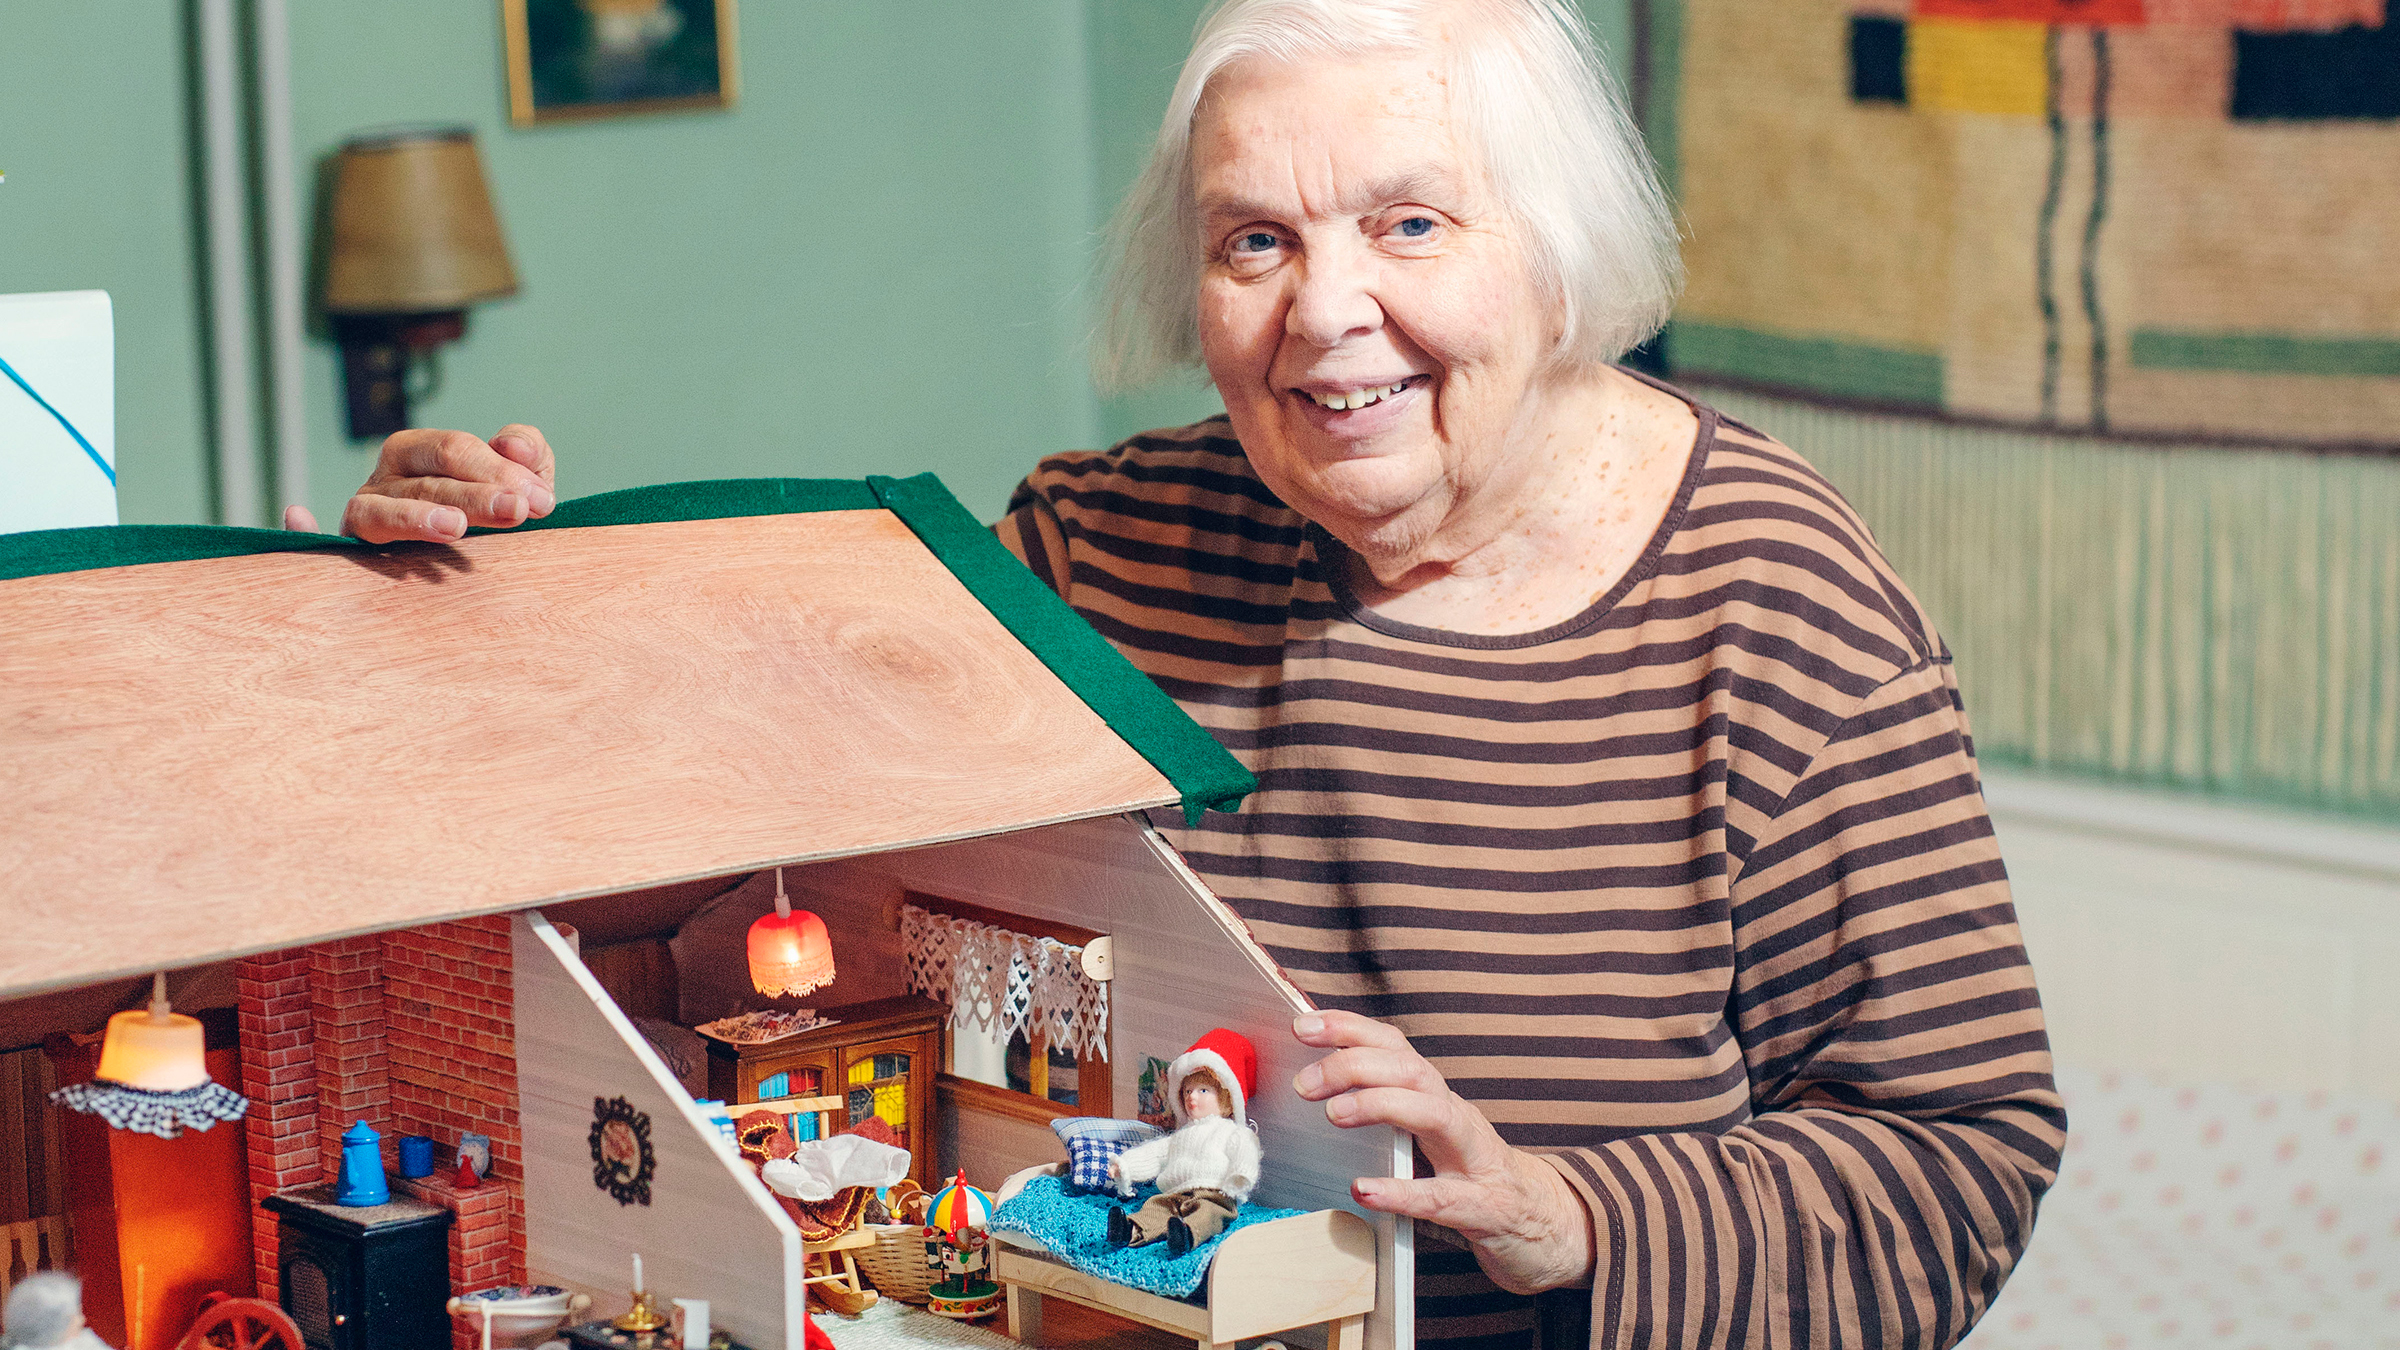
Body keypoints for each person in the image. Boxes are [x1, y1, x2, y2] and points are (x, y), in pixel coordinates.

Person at [299, 1, 2065, 1345]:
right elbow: (724, 774)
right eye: (1253, 241)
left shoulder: (1781, 607)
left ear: (1559, 257)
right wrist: (463, 602)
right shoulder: (1096, 553)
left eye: (1411, 225)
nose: (1325, 312)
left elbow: (1962, 1159)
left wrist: (1569, 1215)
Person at [1106, 1028, 1263, 1256]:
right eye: (1188, 1091)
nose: (1192, 1097)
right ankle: (1129, 1230)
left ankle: (1187, 1234)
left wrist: (1240, 1177)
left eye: (1203, 1090)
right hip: (1176, 1193)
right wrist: (1125, 1165)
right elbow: (1154, 1154)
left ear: (1227, 1099)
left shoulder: (1231, 1131)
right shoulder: (1179, 1137)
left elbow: (1245, 1151)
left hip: (1214, 1193)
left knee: (1209, 1213)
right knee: (1156, 1207)